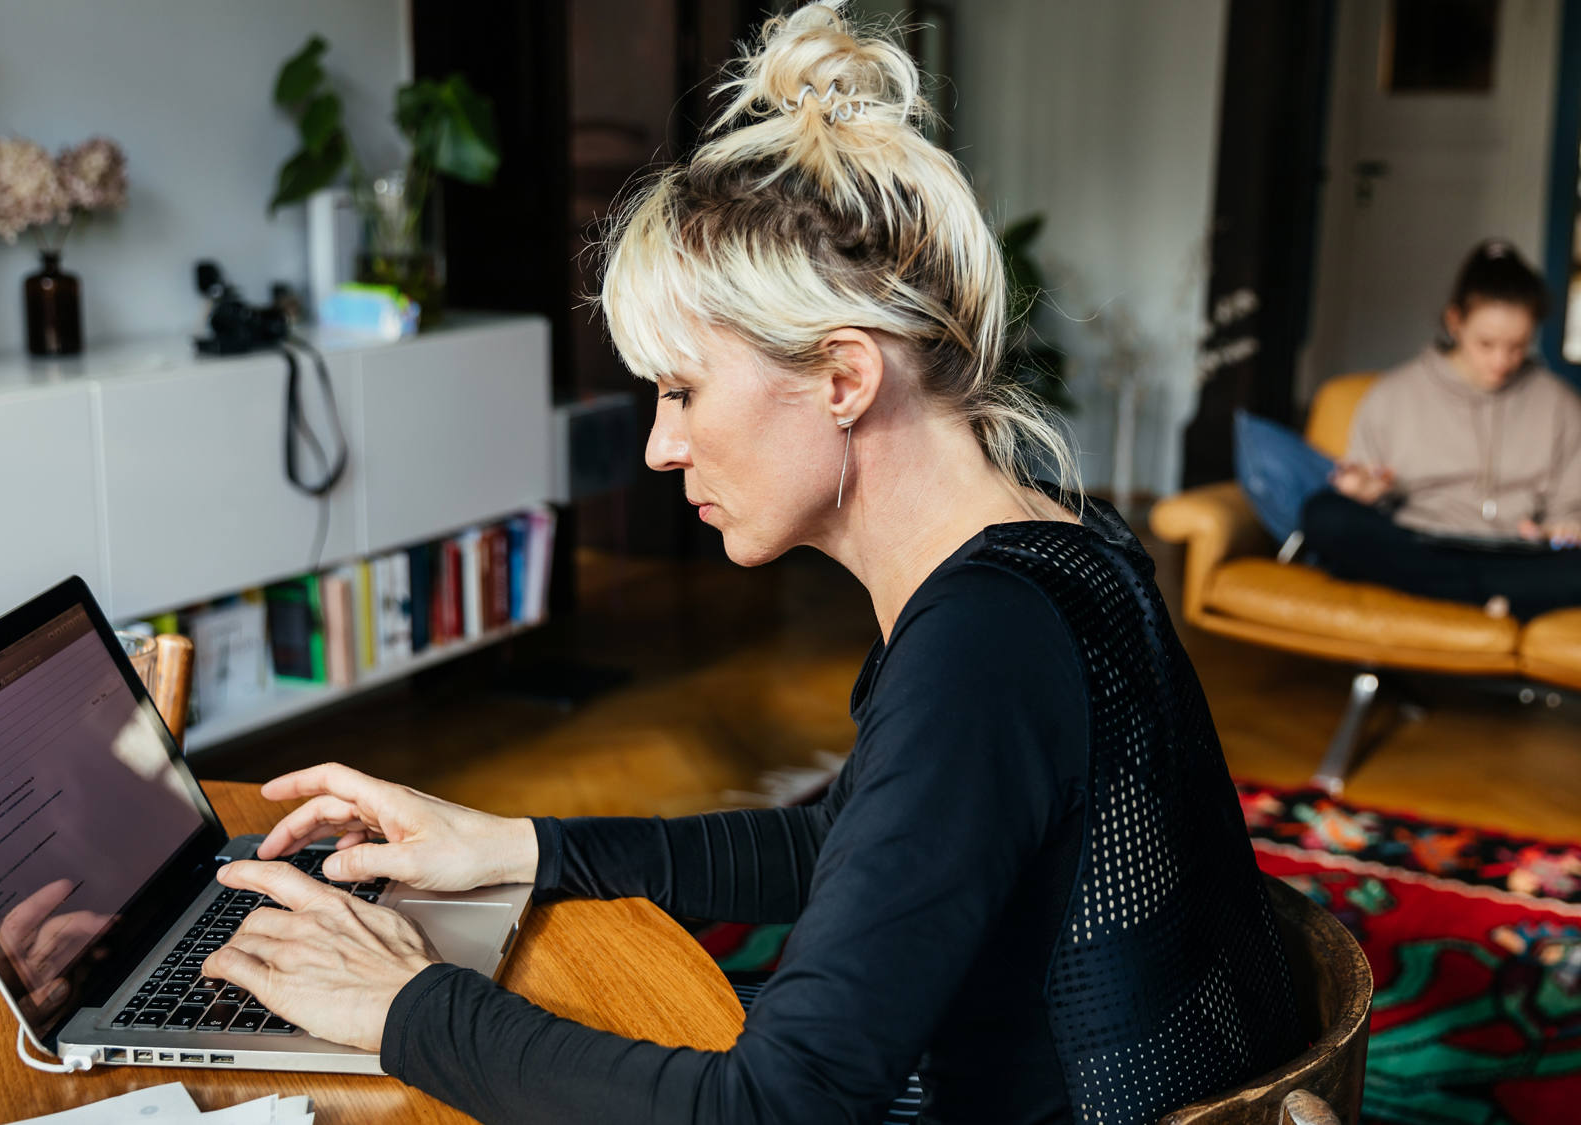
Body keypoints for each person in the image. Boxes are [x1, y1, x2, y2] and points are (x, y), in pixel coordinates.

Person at [200, 7, 1300, 1122]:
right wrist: (514, 846)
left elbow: (777, 1110)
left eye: (681, 389)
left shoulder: (981, 647)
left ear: (842, 377)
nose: (658, 444)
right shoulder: (1062, 549)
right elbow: (851, 847)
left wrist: (400, 1004)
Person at [1301, 240, 1581, 620]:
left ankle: (1465, 592)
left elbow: (1570, 507)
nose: (1502, 361)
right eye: (1486, 344)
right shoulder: (1391, 395)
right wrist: (1366, 494)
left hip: (1519, 555)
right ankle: (1493, 596)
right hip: (1423, 544)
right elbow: (1364, 493)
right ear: (1455, 322)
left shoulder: (1560, 403)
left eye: (1517, 346)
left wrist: (1562, 527)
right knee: (1325, 515)